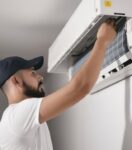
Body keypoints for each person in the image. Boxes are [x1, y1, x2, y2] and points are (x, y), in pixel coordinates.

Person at [0, 19, 117, 150]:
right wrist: (102, 41)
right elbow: (80, 87)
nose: (40, 76)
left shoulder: (19, 117)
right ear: (16, 81)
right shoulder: (16, 116)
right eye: (33, 73)